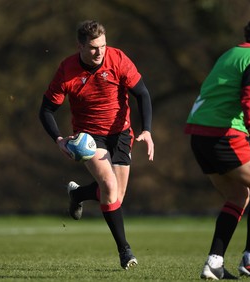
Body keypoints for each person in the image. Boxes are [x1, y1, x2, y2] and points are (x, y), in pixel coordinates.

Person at [39, 20, 154, 270]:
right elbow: (46, 110)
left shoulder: (118, 59)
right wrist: (59, 139)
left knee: (116, 197)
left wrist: (147, 130)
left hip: (122, 133)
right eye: (93, 47)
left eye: (102, 45)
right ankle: (125, 250)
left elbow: (142, 93)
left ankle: (78, 194)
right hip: (90, 137)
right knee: (109, 186)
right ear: (80, 46)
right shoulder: (67, 70)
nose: (99, 52)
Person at [185, 15, 250, 280]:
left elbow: (222, 97)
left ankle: (214, 263)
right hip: (222, 135)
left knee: (238, 197)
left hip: (199, 134)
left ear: (248, 35)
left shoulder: (231, 54)